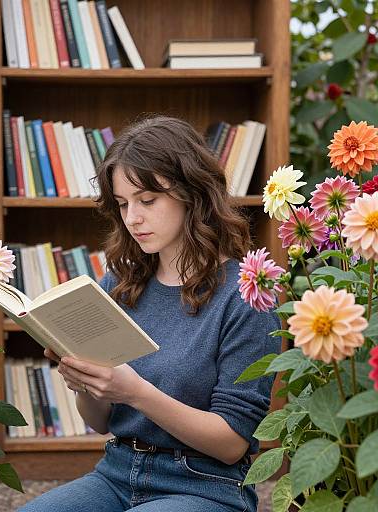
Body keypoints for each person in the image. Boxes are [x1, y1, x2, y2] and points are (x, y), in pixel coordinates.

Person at [18, 115, 281, 512]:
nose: (132, 218)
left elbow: (232, 444)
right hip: (118, 471)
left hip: (206, 486)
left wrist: (136, 393)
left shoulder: (245, 296)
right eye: (123, 204)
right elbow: (101, 421)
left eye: (147, 200)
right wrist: (85, 382)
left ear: (192, 193)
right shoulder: (121, 284)